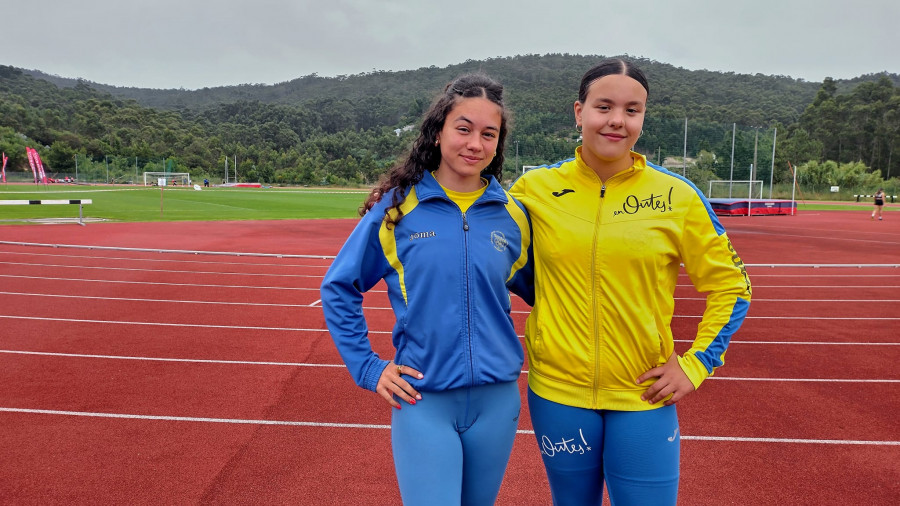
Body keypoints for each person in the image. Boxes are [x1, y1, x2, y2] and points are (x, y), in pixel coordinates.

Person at [509, 58, 752, 505]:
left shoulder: (676, 196)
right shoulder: (533, 188)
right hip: (559, 394)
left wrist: (697, 362)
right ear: (579, 112)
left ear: (642, 117)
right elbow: (501, 263)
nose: (617, 120)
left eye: (632, 110)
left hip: (643, 395)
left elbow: (733, 286)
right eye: (604, 107)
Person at [320, 74, 533, 506]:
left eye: (488, 134)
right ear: (438, 133)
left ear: (498, 144)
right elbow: (339, 287)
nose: (475, 143)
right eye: (464, 128)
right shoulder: (398, 210)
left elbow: (550, 293)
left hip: (497, 403)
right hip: (424, 399)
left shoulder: (513, 217)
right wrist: (367, 367)